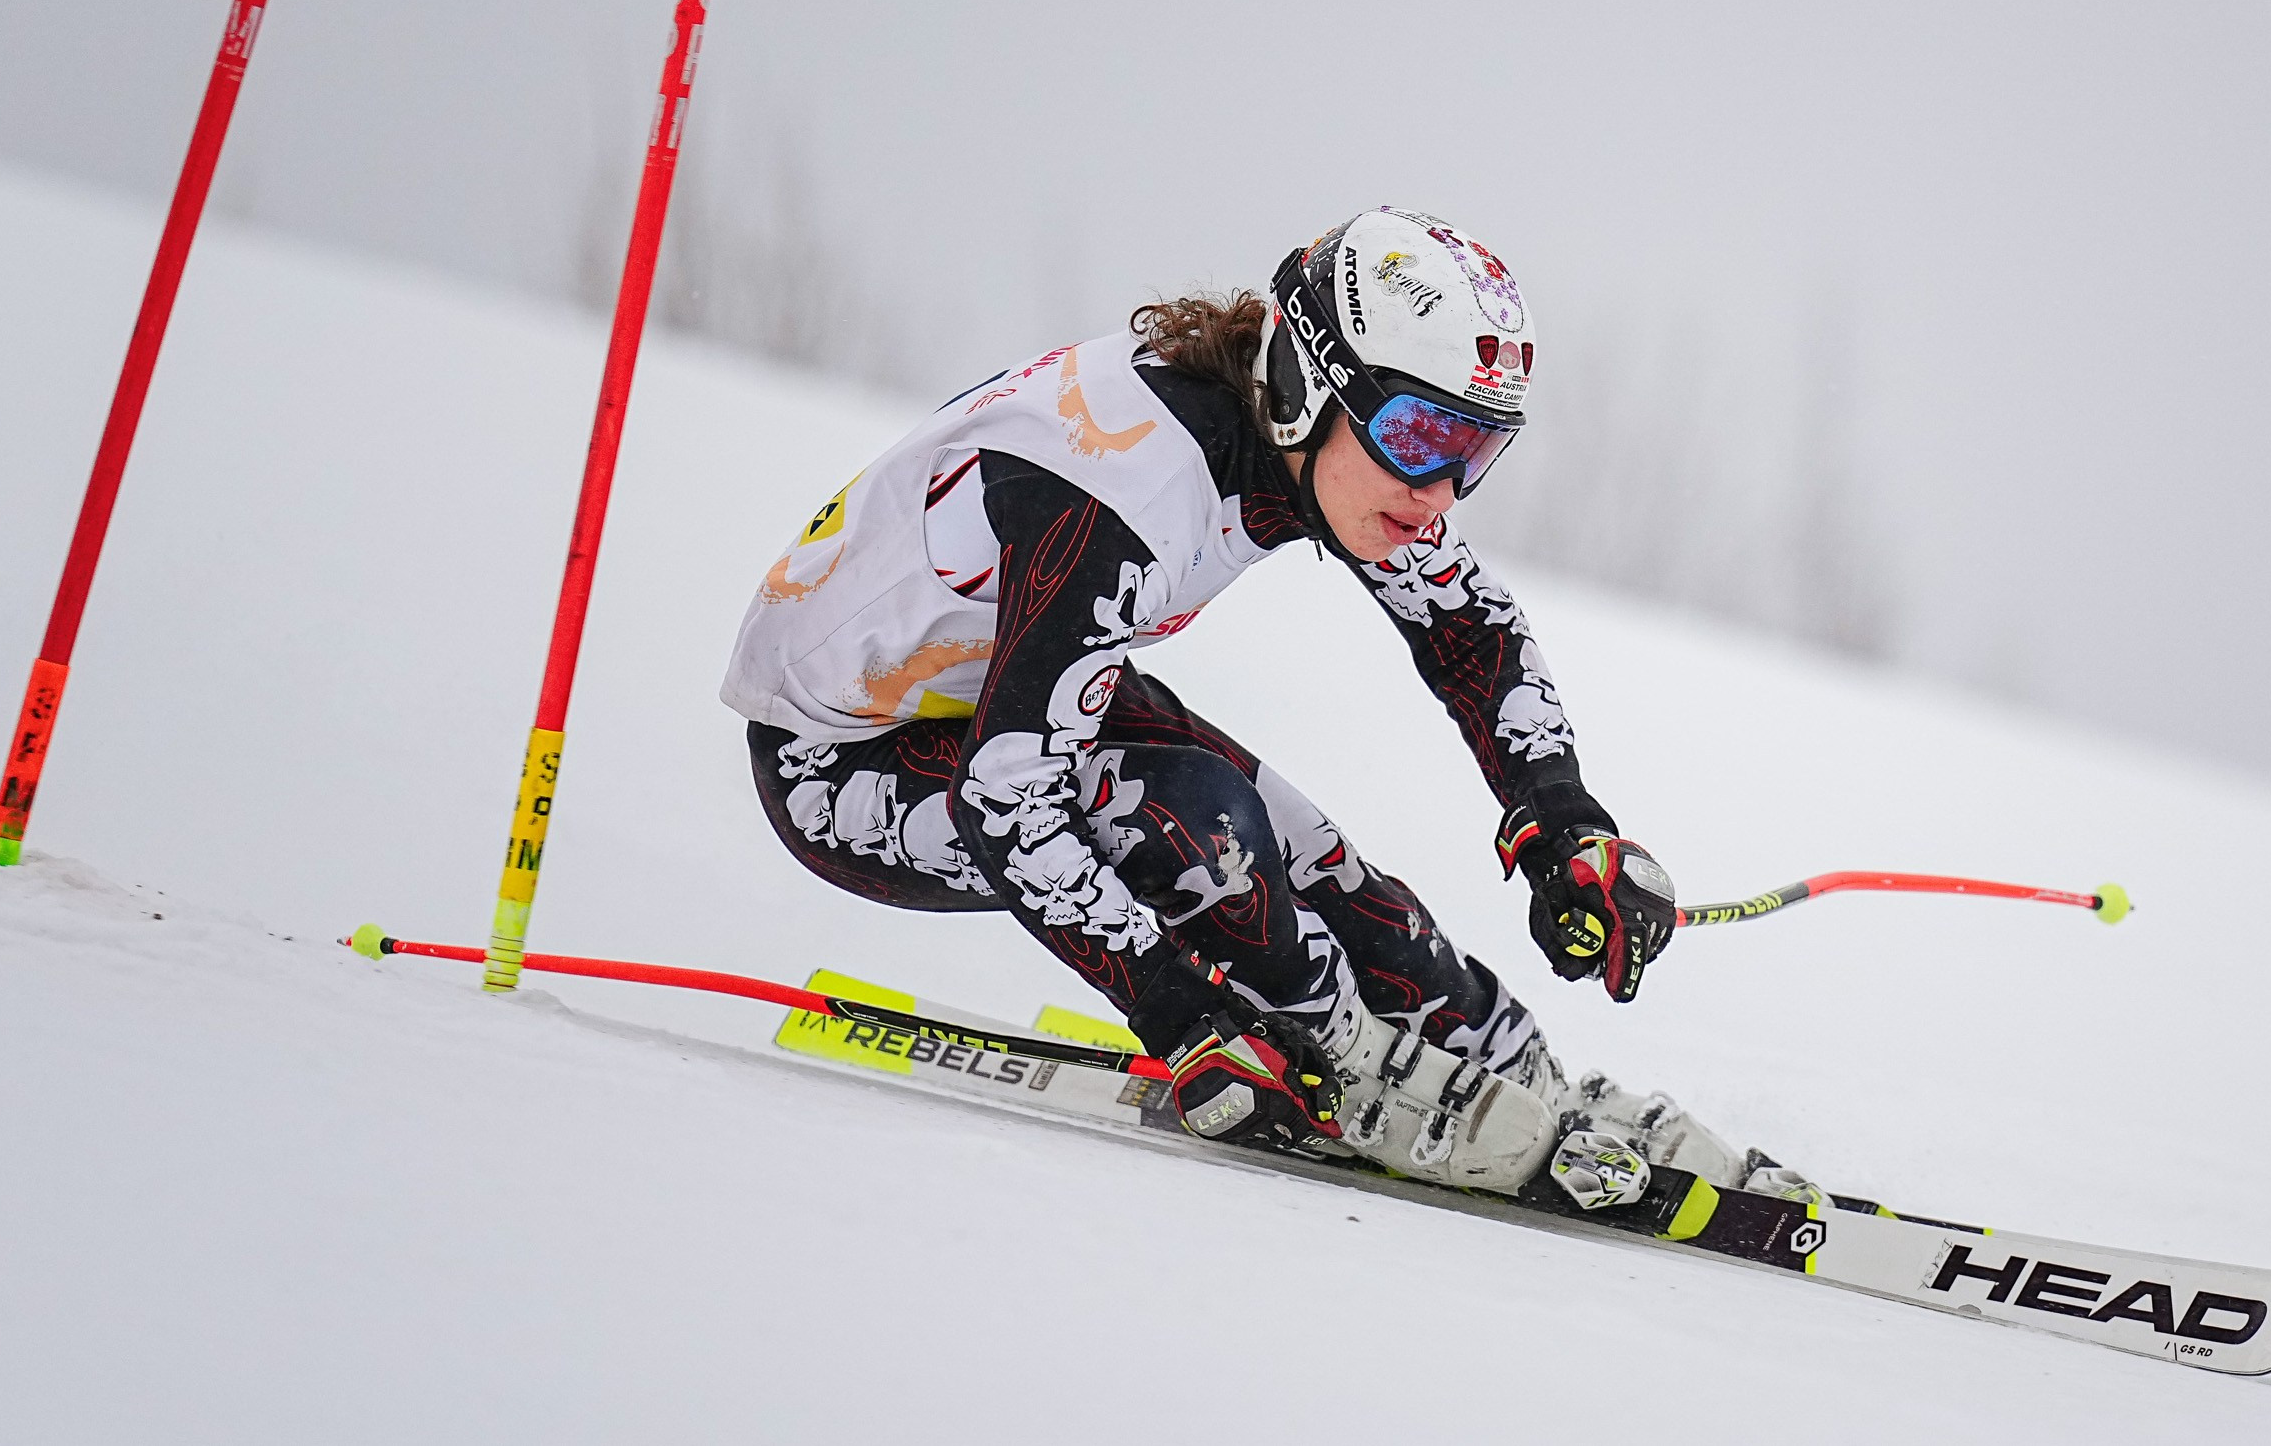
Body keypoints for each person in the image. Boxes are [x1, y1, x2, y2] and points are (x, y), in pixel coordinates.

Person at [722, 207, 1814, 1203]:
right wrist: (1180, 1014)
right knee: (1202, 835)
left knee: (1326, 867)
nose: (1438, 495)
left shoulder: (1302, 443)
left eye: (1474, 451)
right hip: (844, 763)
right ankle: (1359, 1068)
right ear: (1302, 385)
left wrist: (1560, 821)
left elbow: (1466, 627)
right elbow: (1006, 807)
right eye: (1421, 441)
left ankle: (1509, 1069)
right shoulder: (1128, 488)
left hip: (987, 695)